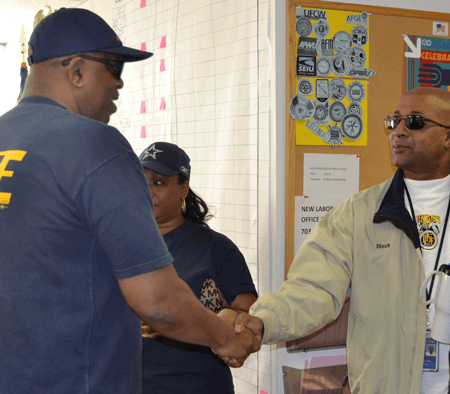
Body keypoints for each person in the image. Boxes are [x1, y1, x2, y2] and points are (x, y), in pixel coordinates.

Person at [0, 8, 257, 394]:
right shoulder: (95, 145)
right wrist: (225, 339)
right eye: (114, 67)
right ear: (77, 71)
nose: (120, 84)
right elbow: (156, 299)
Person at [227, 87, 450, 393]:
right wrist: (264, 322)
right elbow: (311, 289)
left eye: (415, 122)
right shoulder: (358, 214)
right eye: (394, 121)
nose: (399, 132)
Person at [138, 141, 258, 394]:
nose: (147, 190)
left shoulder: (215, 248)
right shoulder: (122, 245)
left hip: (198, 385)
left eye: (158, 182)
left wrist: (184, 321)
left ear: (183, 188)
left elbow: (246, 318)